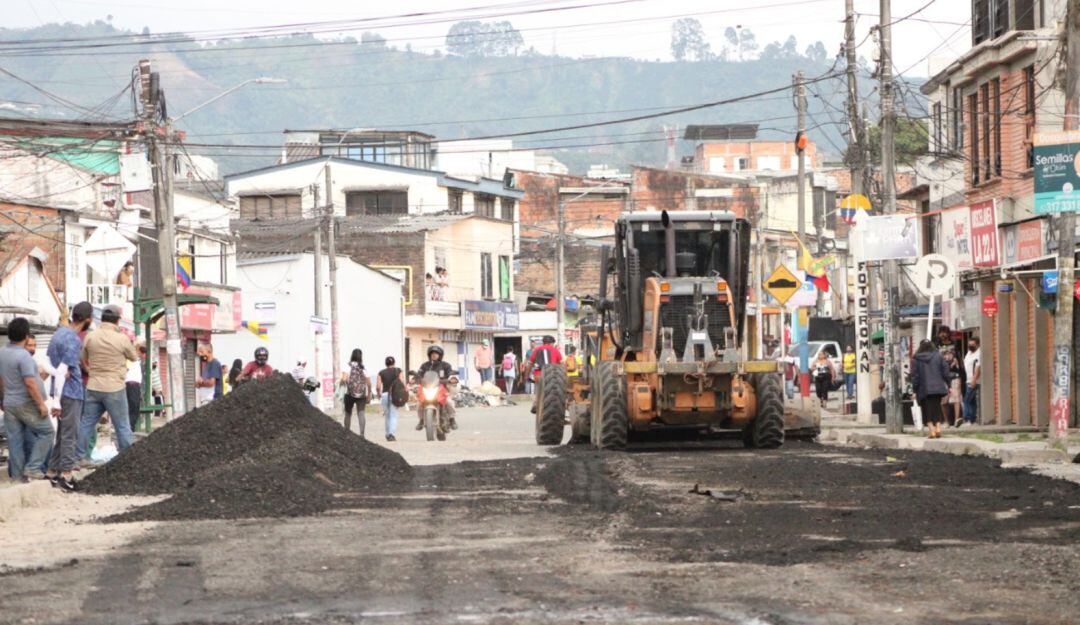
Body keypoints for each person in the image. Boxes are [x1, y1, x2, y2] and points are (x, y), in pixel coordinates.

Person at [78, 304, 138, 459]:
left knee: (86, 424)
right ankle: (128, 458)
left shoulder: (90, 336)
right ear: (117, 321)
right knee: (122, 426)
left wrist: (91, 371)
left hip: (94, 386)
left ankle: (79, 457)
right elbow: (133, 357)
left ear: (102, 318)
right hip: (114, 388)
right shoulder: (122, 338)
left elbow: (82, 358)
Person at [1, 318, 54, 481]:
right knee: (47, 432)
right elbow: (30, 383)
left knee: (15, 440)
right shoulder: (24, 356)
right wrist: (41, 404)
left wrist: (1, 400)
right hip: (25, 403)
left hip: (9, 402)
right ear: (26, 335)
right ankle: (33, 467)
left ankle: (17, 477)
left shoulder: (2, 352)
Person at [45, 302, 90, 490]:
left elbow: (48, 363)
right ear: (87, 320)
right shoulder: (73, 339)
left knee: (63, 434)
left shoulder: (58, 334)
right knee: (70, 434)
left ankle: (52, 471)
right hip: (70, 393)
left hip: (59, 390)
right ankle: (66, 475)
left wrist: (56, 393)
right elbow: (64, 370)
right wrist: (57, 402)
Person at [911, 339, 951, 439]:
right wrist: (948, 383)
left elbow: (915, 376)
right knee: (936, 407)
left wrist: (914, 390)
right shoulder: (938, 356)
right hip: (937, 387)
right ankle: (938, 427)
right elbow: (945, 370)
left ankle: (931, 430)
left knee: (926, 409)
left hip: (923, 388)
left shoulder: (916, 359)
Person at [415, 345, 457, 431]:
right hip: (428, 388)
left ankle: (452, 419)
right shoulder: (425, 365)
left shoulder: (445, 365)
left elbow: (450, 374)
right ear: (429, 355)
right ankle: (421, 420)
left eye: (436, 354)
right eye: (432, 354)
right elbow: (419, 374)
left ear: (440, 355)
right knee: (419, 404)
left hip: (442, 389)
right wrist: (415, 378)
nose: (434, 355)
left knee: (449, 402)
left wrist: (451, 378)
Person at [341, 349, 371, 436]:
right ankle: (362, 434)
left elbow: (344, 379)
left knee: (348, 413)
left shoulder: (348, 366)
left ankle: (347, 432)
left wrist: (342, 384)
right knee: (361, 413)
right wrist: (368, 395)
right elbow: (369, 383)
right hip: (361, 394)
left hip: (350, 393)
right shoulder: (363, 367)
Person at [376, 356, 403, 441]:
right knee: (393, 415)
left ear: (386, 364)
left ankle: (387, 434)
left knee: (387, 415)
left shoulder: (381, 372)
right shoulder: (398, 370)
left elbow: (378, 386)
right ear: (394, 363)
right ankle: (391, 434)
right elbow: (402, 383)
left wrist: (378, 394)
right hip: (395, 395)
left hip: (385, 395)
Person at [125, 342, 145, 432]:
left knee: (133, 407)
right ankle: (130, 428)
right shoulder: (130, 359)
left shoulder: (135, 359)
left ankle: (130, 427)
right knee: (133, 407)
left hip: (133, 385)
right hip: (132, 385)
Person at [962, 337, 981, 425]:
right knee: (972, 401)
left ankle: (967, 418)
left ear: (977, 344)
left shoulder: (978, 354)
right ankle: (972, 419)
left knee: (967, 400)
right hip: (967, 380)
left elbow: (978, 368)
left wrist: (974, 379)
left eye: (972, 345)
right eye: (969, 344)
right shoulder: (969, 353)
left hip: (973, 380)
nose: (970, 346)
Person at [943, 350, 964, 427]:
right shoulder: (941, 361)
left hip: (955, 378)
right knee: (943, 401)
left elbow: (961, 370)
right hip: (944, 380)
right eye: (946, 354)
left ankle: (956, 420)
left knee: (956, 399)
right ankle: (946, 421)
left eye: (950, 354)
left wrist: (956, 364)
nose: (948, 356)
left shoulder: (956, 360)